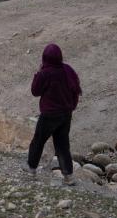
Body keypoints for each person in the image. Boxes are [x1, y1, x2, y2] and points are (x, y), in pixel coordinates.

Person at [23, 43, 82, 185]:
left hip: (49, 114)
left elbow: (35, 91)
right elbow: (75, 90)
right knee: (62, 145)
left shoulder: (45, 73)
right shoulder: (67, 70)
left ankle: (31, 170)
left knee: (38, 141)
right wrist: (71, 107)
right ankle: (68, 176)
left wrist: (38, 73)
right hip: (65, 114)